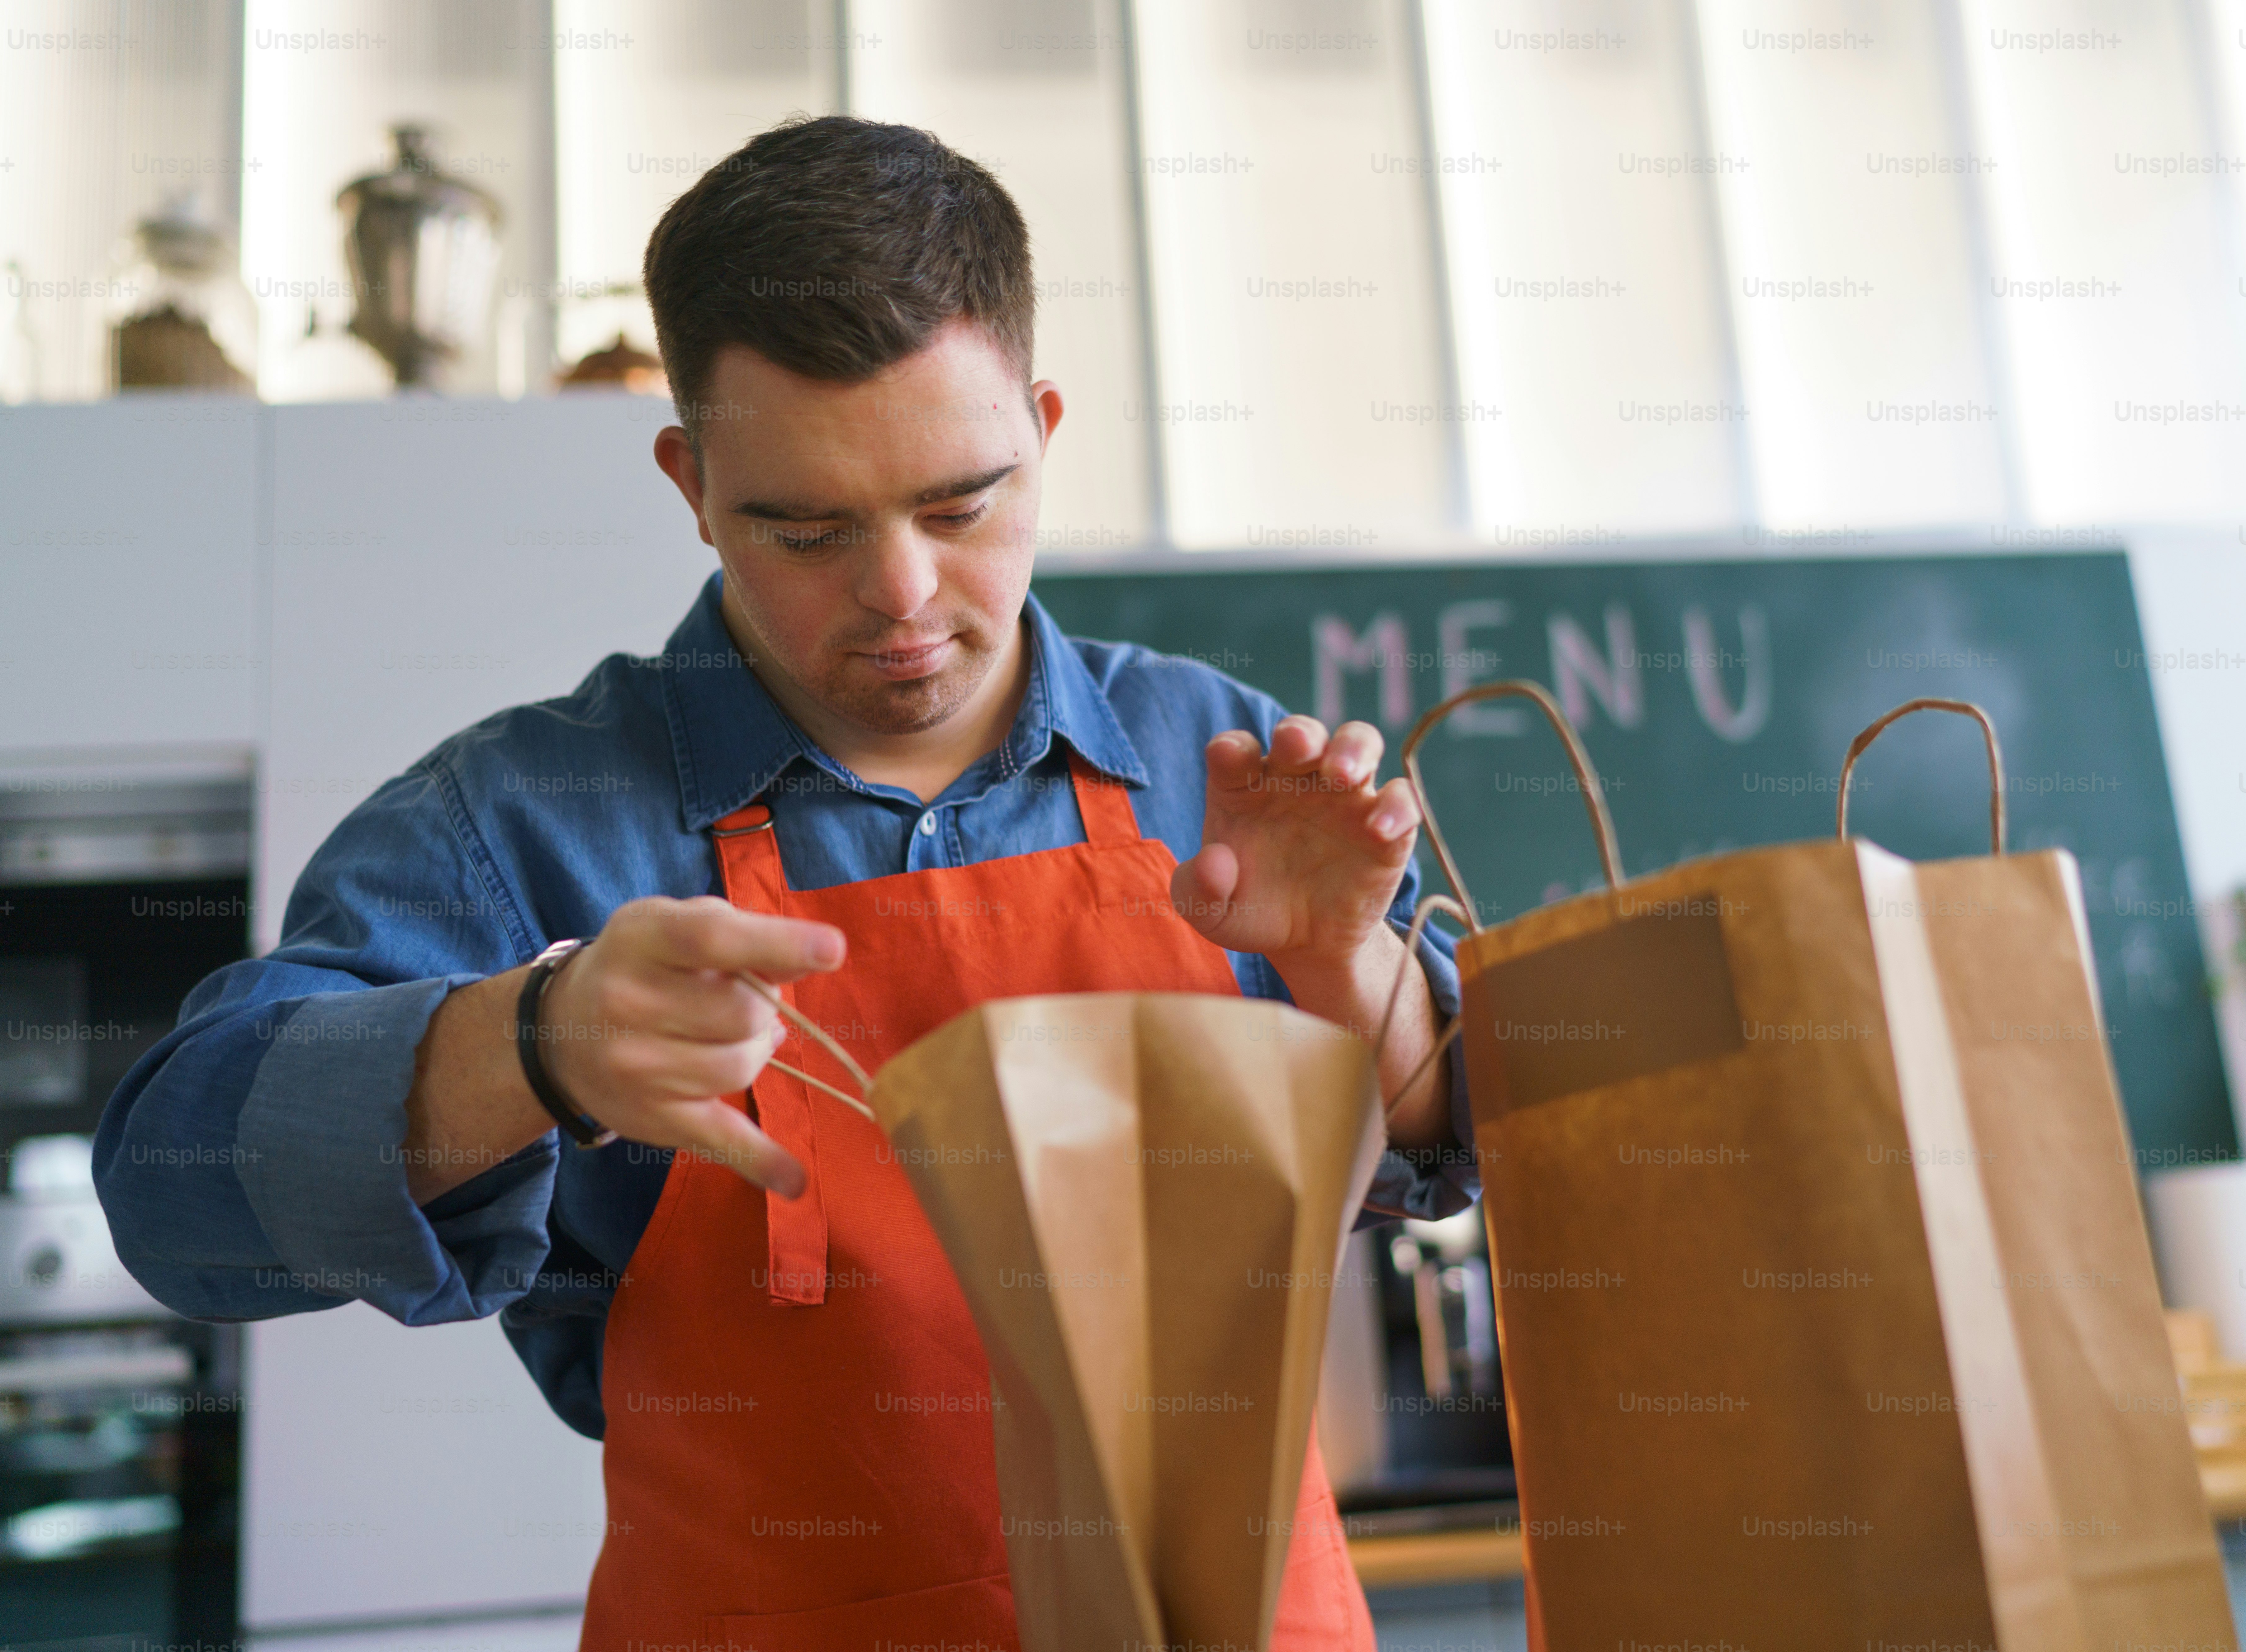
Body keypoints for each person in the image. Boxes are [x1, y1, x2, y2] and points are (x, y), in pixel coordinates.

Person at [96, 115, 1476, 1647]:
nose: (902, 596)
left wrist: (1351, 969)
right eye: (806, 530)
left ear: (1043, 430)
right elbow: (171, 1195)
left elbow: (1440, 1148)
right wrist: (535, 1041)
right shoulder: (522, 820)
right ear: (691, 483)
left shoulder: (1209, 751)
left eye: (960, 506)